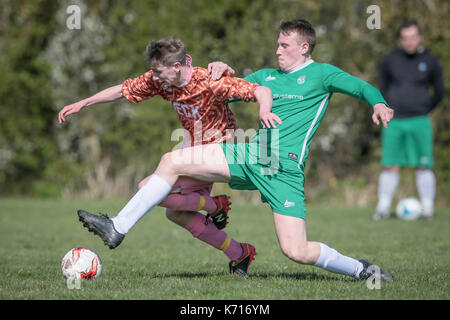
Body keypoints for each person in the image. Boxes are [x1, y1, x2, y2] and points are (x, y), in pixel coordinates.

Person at [78, 19, 395, 281]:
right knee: (169, 163)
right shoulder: (267, 75)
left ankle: (364, 270)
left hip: (282, 167)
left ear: (304, 47)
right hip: (250, 155)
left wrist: (378, 102)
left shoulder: (322, 74)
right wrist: (222, 68)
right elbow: (227, 89)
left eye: (284, 45)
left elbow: (362, 86)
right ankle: (119, 226)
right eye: (277, 44)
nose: (277, 50)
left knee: (296, 251)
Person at [58, 37, 278, 277]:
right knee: (174, 211)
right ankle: (238, 251)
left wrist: (264, 110)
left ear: (176, 66)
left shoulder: (209, 81)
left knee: (150, 184)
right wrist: (84, 103)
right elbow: (123, 89)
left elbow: (261, 89)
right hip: (191, 148)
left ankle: (118, 226)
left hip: (220, 150)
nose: (153, 76)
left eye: (158, 71)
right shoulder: (161, 81)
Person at [372, 20, 444, 220]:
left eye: (413, 37)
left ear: (419, 37)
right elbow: (382, 89)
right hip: (394, 121)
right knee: (390, 164)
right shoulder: (390, 60)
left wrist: (424, 108)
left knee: (424, 164)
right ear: (401, 40)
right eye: (405, 38)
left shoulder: (431, 60)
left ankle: (428, 208)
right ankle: (383, 208)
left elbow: (439, 91)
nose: (409, 41)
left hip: (420, 120)